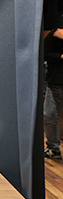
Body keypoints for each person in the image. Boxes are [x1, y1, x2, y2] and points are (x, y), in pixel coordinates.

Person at [44, 27, 63, 158]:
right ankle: (53, 148)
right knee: (49, 115)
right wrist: (60, 56)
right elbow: (43, 54)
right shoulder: (55, 35)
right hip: (56, 82)